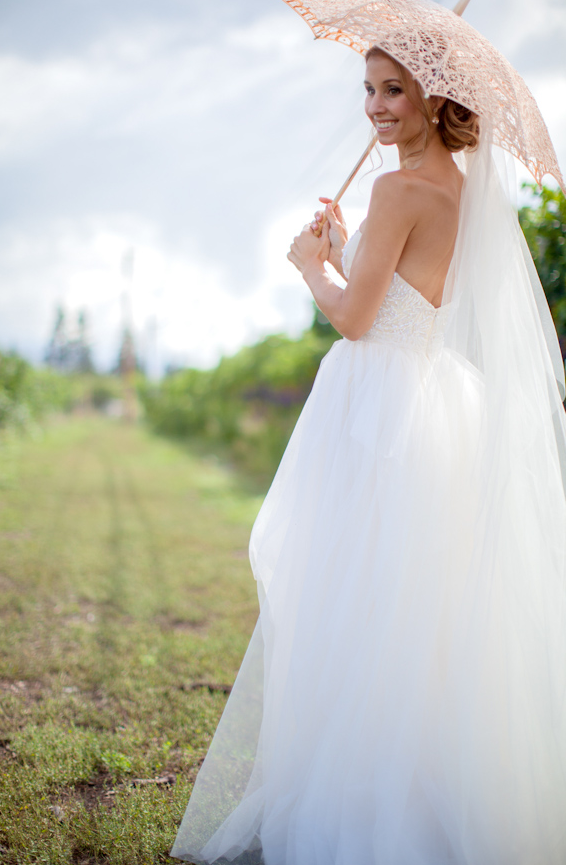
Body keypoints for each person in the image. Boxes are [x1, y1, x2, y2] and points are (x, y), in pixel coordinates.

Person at [171, 47, 566, 865]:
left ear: (436, 100)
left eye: (395, 90)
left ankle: (363, 806)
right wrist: (353, 247)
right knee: (415, 612)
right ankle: (417, 796)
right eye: (369, 90)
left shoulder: (396, 188)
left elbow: (355, 320)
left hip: (376, 409)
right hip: (437, 405)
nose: (377, 107)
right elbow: (404, 294)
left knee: (353, 600)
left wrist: (313, 267)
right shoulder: (464, 195)